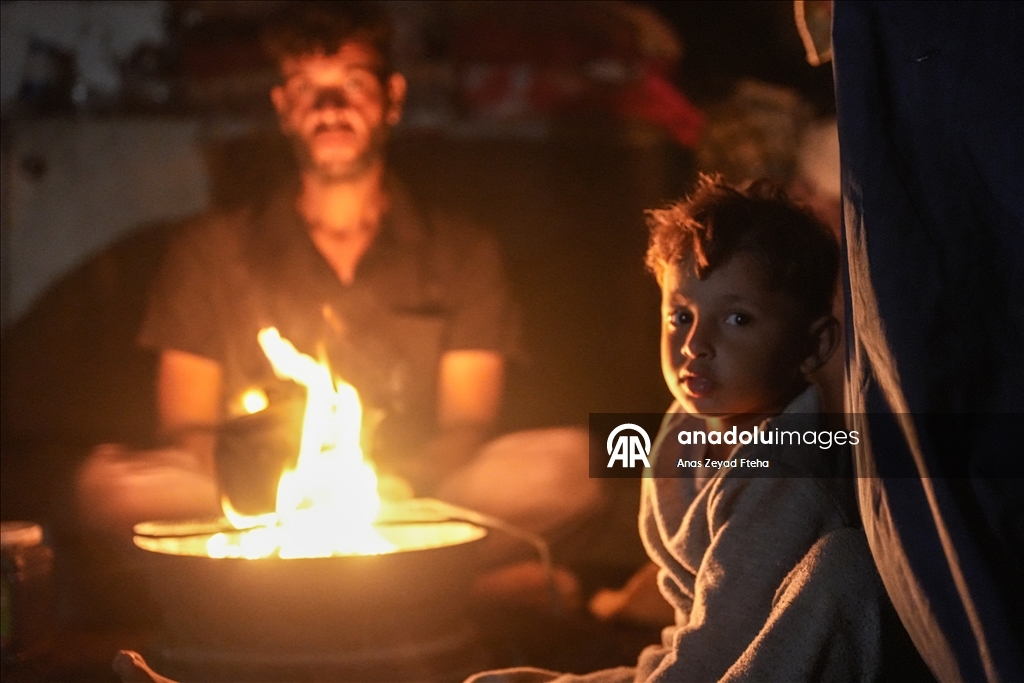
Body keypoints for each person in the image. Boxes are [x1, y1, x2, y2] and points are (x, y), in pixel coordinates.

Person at [75, 1, 599, 541]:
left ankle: (417, 567)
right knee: (110, 486)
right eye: (307, 88)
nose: (330, 107)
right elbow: (186, 425)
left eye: (353, 84)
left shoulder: (462, 251)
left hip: (410, 504)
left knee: (582, 462)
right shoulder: (210, 251)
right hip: (251, 507)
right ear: (283, 107)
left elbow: (466, 425)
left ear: (393, 98)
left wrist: (390, 487)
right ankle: (468, 578)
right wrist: (283, 490)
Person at [468, 176, 925, 682]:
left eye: (737, 319)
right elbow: (687, 625)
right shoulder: (686, 427)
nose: (695, 344)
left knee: (845, 566)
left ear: (814, 345)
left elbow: (723, 647)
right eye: (681, 316)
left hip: (750, 665)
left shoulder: (786, 470)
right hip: (693, 659)